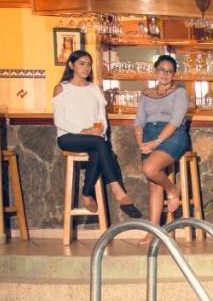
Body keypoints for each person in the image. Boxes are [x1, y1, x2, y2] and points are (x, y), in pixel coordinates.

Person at [52, 50, 141, 218]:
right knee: (99, 144)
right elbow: (59, 121)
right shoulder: (62, 88)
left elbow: (101, 118)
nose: (86, 68)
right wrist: (85, 131)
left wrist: (99, 131)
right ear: (71, 65)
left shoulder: (94, 89)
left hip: (93, 138)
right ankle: (117, 189)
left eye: (89, 64)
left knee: (98, 148)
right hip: (68, 137)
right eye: (81, 64)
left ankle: (86, 193)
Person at [134, 55, 191, 224]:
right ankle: (153, 230)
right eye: (162, 70)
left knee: (150, 169)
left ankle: (173, 191)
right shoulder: (146, 94)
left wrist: (156, 142)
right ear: (155, 70)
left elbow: (174, 122)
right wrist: (140, 142)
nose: (165, 74)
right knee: (153, 185)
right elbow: (139, 121)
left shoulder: (180, 93)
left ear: (174, 74)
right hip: (148, 135)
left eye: (170, 71)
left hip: (172, 136)